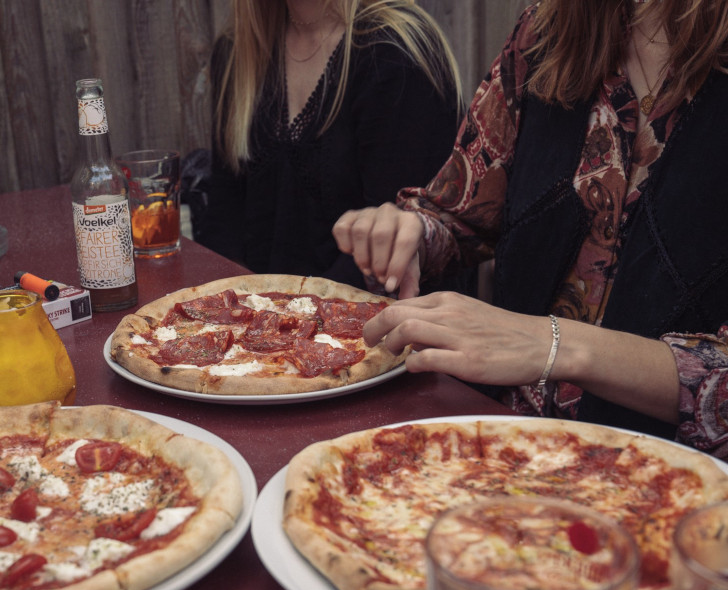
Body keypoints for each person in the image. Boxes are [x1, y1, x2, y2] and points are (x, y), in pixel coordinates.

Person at [333, 0, 728, 457]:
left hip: (675, 483)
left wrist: (554, 343)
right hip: (499, 444)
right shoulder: (548, 26)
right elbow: (462, 214)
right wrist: (411, 234)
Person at [196, 0, 462, 290]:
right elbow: (223, 221)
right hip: (258, 316)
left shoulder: (395, 51)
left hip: (374, 318)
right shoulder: (238, 50)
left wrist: (284, 318)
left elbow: (389, 252)